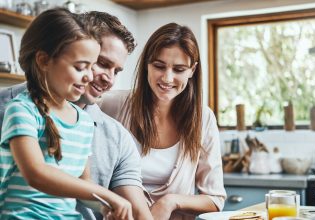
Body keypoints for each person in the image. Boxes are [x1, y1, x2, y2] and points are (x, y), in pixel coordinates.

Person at [0, 11, 153, 220]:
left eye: (116, 71)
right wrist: (106, 195)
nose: (104, 78)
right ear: (46, 60)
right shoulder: (18, 109)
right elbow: (36, 172)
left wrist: (106, 206)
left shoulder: (88, 126)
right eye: (99, 63)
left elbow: (85, 186)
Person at [99, 23, 227, 220]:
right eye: (159, 66)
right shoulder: (110, 105)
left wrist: (170, 201)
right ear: (146, 65)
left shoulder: (203, 118)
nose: (167, 78)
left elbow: (215, 199)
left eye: (179, 69)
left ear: (192, 70)